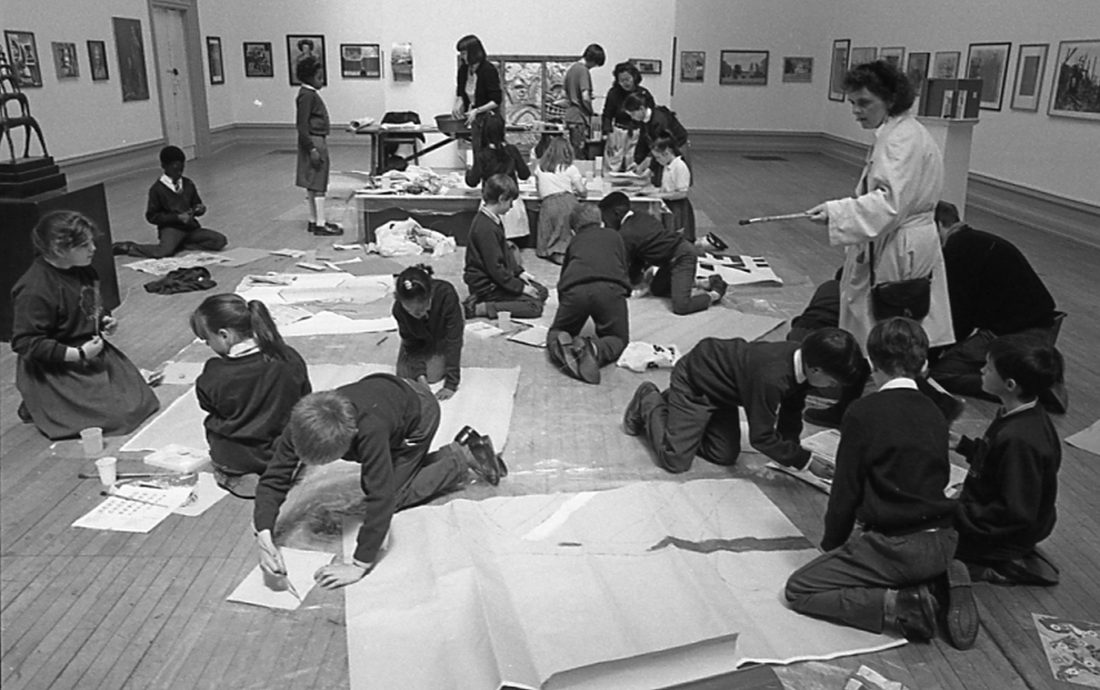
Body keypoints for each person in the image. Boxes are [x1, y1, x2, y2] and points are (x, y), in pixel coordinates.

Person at [784, 317, 978, 650]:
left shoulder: (864, 411)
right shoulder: (934, 410)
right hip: (944, 538)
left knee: (800, 589)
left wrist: (833, 545)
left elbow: (845, 491)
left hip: (898, 546)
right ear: (924, 363)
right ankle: (938, 577)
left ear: (872, 362)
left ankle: (902, 602)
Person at [253, 375, 507, 589]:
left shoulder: (370, 432)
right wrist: (264, 531)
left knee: (395, 494)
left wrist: (358, 565)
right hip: (389, 397)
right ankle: (457, 449)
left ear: (350, 440)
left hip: (419, 415)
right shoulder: (302, 422)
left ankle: (463, 457)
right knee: (388, 477)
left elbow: (381, 498)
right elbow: (275, 477)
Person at [804, 61, 952, 352]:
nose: (856, 111)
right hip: (901, 237)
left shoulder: (902, 138)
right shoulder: (900, 132)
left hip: (900, 242)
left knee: (891, 324)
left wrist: (837, 212)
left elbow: (891, 202)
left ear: (891, 99)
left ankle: (887, 381)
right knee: (890, 322)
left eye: (864, 103)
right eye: (852, 103)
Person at [622, 328, 865, 475]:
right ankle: (649, 399)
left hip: (724, 390)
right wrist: (806, 461)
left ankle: (678, 411)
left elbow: (792, 411)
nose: (832, 388)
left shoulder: (804, 359)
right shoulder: (771, 377)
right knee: (675, 460)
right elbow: (762, 437)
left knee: (724, 455)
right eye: (832, 383)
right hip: (697, 380)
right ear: (816, 370)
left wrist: (792, 454)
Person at [11, 211, 159, 440]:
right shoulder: (34, 289)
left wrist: (103, 319)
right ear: (59, 250)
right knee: (119, 418)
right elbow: (25, 342)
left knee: (141, 402)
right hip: (57, 362)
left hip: (89, 352)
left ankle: (43, 403)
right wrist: (78, 354)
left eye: (91, 241)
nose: (93, 248)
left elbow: (90, 304)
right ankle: (38, 400)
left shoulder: (84, 270)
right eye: (84, 245)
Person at [928, 201, 1062, 409]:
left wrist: (932, 355)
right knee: (967, 362)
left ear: (938, 225)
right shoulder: (975, 241)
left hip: (1016, 332)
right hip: (1040, 324)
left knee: (939, 373)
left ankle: (1031, 388)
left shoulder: (957, 251)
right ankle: (1029, 370)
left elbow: (957, 317)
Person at [954, 334, 1062, 586]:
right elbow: (998, 464)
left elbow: (1015, 511)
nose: (981, 370)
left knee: (916, 536)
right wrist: (965, 446)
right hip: (991, 517)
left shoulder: (1021, 439)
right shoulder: (1022, 415)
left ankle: (994, 566)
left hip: (1002, 535)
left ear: (1010, 384)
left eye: (989, 367)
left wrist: (955, 510)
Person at [190, 294, 311, 498]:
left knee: (221, 441)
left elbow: (208, 405)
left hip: (236, 457)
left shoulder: (216, 372)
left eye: (207, 340)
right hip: (283, 453)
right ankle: (280, 477)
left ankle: (235, 478)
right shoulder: (288, 356)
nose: (208, 346)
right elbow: (305, 397)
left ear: (224, 335)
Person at [598, 191, 725, 315]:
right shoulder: (641, 215)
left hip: (682, 256)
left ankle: (715, 294)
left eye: (606, 220)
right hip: (670, 258)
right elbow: (637, 259)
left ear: (616, 213)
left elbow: (623, 268)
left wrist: (620, 289)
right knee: (657, 290)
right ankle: (704, 282)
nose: (606, 224)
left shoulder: (626, 234)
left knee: (682, 306)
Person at [546, 205, 631, 385]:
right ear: (601, 221)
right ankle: (594, 348)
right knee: (618, 338)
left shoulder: (574, 243)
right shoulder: (615, 236)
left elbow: (564, 274)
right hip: (610, 288)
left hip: (575, 289)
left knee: (557, 330)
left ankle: (562, 347)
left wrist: (565, 308)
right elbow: (623, 267)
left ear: (574, 230)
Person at [112, 145, 228, 258]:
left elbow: (196, 203)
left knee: (219, 241)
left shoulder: (188, 183)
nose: (179, 172)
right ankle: (130, 247)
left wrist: (199, 209)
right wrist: (177, 217)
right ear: (164, 166)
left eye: (181, 169)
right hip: (172, 229)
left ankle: (181, 243)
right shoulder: (157, 189)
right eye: (175, 168)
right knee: (163, 252)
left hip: (190, 228)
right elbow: (152, 216)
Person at [463, 174, 548, 319]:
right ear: (502, 199)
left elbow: (505, 253)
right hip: (488, 285)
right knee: (534, 307)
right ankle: (482, 307)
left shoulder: (493, 220)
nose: (511, 206)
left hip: (497, 279)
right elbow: (495, 268)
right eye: (510, 201)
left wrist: (519, 273)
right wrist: (521, 287)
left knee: (541, 291)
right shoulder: (485, 228)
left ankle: (502, 299)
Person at [392, 264, 464, 401]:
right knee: (404, 377)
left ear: (430, 297)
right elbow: (412, 344)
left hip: (442, 331)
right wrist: (421, 378)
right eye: (410, 311)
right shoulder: (399, 310)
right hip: (419, 335)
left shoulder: (446, 294)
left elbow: (454, 341)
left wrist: (451, 384)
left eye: (420, 310)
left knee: (433, 376)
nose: (415, 315)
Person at [465, 113, 531, 241]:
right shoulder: (512, 150)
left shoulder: (482, 154)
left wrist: (468, 171)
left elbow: (472, 181)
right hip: (512, 204)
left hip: (491, 206)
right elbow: (525, 174)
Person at [294, 55, 341, 236]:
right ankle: (320, 223)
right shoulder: (308, 96)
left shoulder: (307, 94)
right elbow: (302, 124)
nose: (322, 81)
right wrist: (312, 148)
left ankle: (314, 220)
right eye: (319, 77)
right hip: (315, 140)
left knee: (312, 182)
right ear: (310, 77)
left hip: (313, 140)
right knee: (319, 182)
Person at [533, 135, 586, 264]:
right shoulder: (570, 169)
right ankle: (564, 253)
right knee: (565, 231)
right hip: (567, 201)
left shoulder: (539, 168)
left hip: (548, 203)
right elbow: (581, 191)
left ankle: (549, 252)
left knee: (549, 230)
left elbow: (539, 190)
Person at [623, 93, 690, 187]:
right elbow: (642, 142)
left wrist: (649, 168)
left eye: (633, 113)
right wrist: (637, 162)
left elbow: (660, 146)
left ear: (642, 109)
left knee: (675, 180)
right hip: (661, 151)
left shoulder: (659, 119)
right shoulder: (643, 120)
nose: (632, 117)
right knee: (661, 180)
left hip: (676, 147)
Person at [453, 35, 502, 159]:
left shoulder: (488, 70)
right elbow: (460, 93)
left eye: (464, 53)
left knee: (490, 155)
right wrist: (457, 104)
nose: (462, 57)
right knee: (477, 154)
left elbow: (496, 100)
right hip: (473, 118)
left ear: (473, 53)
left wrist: (477, 110)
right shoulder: (463, 70)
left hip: (489, 119)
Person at [601, 61, 655, 173]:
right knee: (613, 163)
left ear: (634, 77)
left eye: (628, 79)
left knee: (633, 163)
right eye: (621, 80)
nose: (625, 83)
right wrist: (608, 134)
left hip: (637, 132)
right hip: (618, 132)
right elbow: (607, 115)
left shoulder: (643, 93)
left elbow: (650, 115)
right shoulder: (613, 93)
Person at [646, 136, 696, 242]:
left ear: (667, 153)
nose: (657, 161)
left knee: (677, 237)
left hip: (678, 207)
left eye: (658, 157)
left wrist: (660, 195)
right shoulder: (667, 165)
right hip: (669, 205)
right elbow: (667, 188)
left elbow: (682, 193)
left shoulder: (679, 166)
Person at [562, 43, 606, 159]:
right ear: (593, 60)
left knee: (571, 153)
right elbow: (585, 96)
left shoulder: (571, 69)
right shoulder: (583, 71)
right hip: (579, 118)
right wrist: (591, 112)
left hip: (569, 116)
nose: (593, 67)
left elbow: (567, 94)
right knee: (579, 154)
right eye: (595, 65)